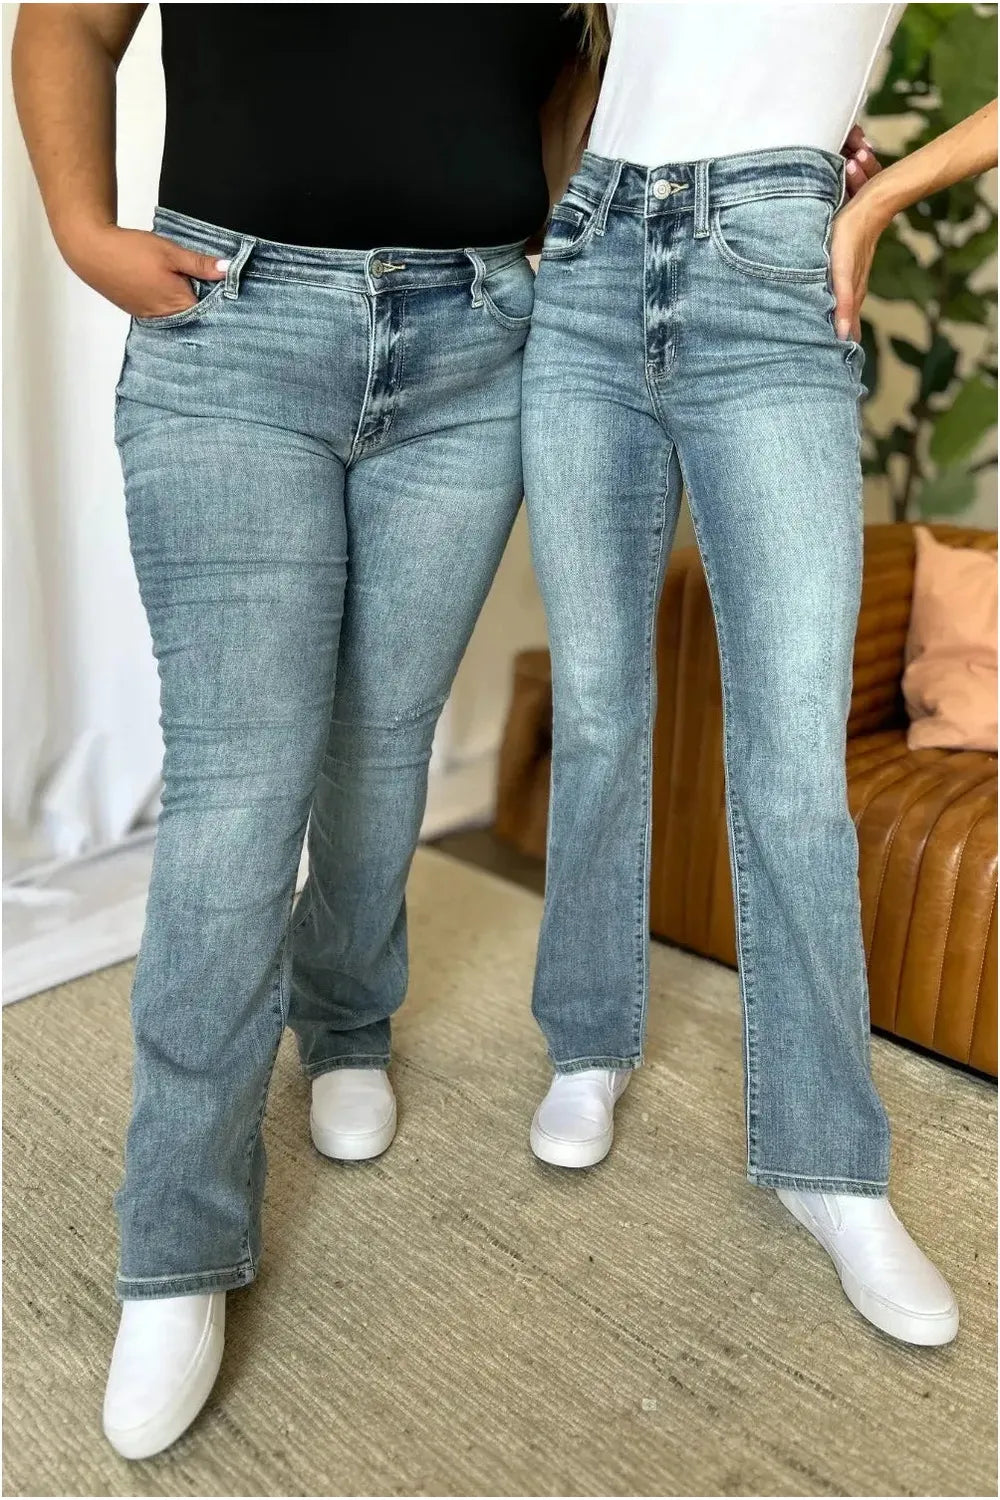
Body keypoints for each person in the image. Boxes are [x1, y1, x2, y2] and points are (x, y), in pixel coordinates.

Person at [12, 0, 595, 1458]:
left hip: (475, 348)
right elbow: (68, 24)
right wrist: (82, 232)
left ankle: (345, 1022)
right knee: (242, 788)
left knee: (386, 740)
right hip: (235, 329)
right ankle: (177, 1241)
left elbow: (569, 75)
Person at [521, 1, 997, 1347]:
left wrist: (877, 199)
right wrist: (553, 222)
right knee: (598, 705)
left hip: (774, 261)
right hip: (592, 256)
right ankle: (588, 1042)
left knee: (790, 761)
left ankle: (826, 1159)